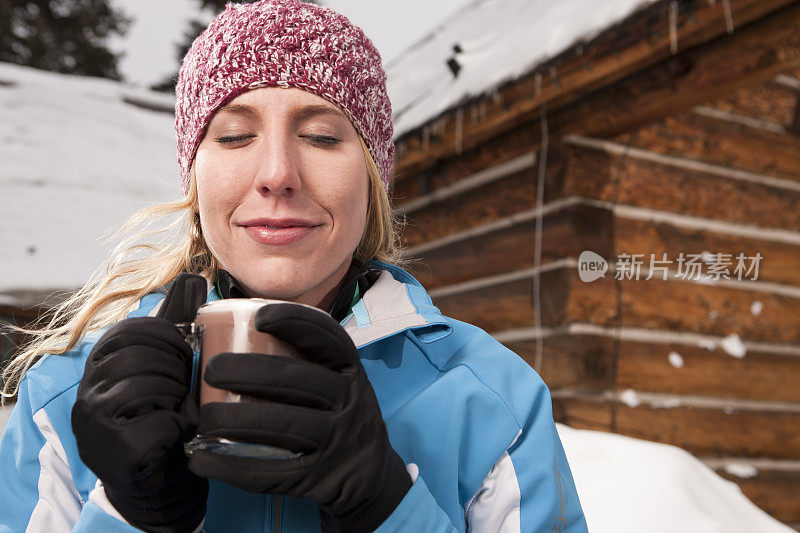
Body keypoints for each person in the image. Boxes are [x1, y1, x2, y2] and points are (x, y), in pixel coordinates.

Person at [0, 1, 588, 531]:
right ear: (195, 180)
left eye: (321, 137)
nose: (277, 173)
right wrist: (130, 514)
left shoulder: (492, 399)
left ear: (372, 181)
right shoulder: (66, 397)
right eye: (233, 136)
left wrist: (387, 507)